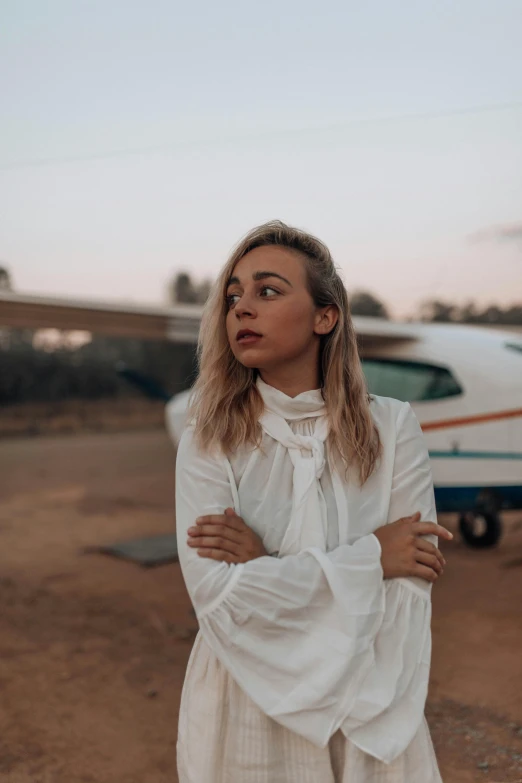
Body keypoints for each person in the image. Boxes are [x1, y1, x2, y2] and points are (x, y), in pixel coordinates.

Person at [175, 220, 451, 782]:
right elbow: (219, 597)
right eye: (233, 297)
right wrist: (372, 555)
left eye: (267, 291)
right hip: (244, 702)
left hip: (371, 708)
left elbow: (410, 590)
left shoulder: (394, 427)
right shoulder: (207, 436)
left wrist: (264, 566)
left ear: (326, 316)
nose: (241, 309)